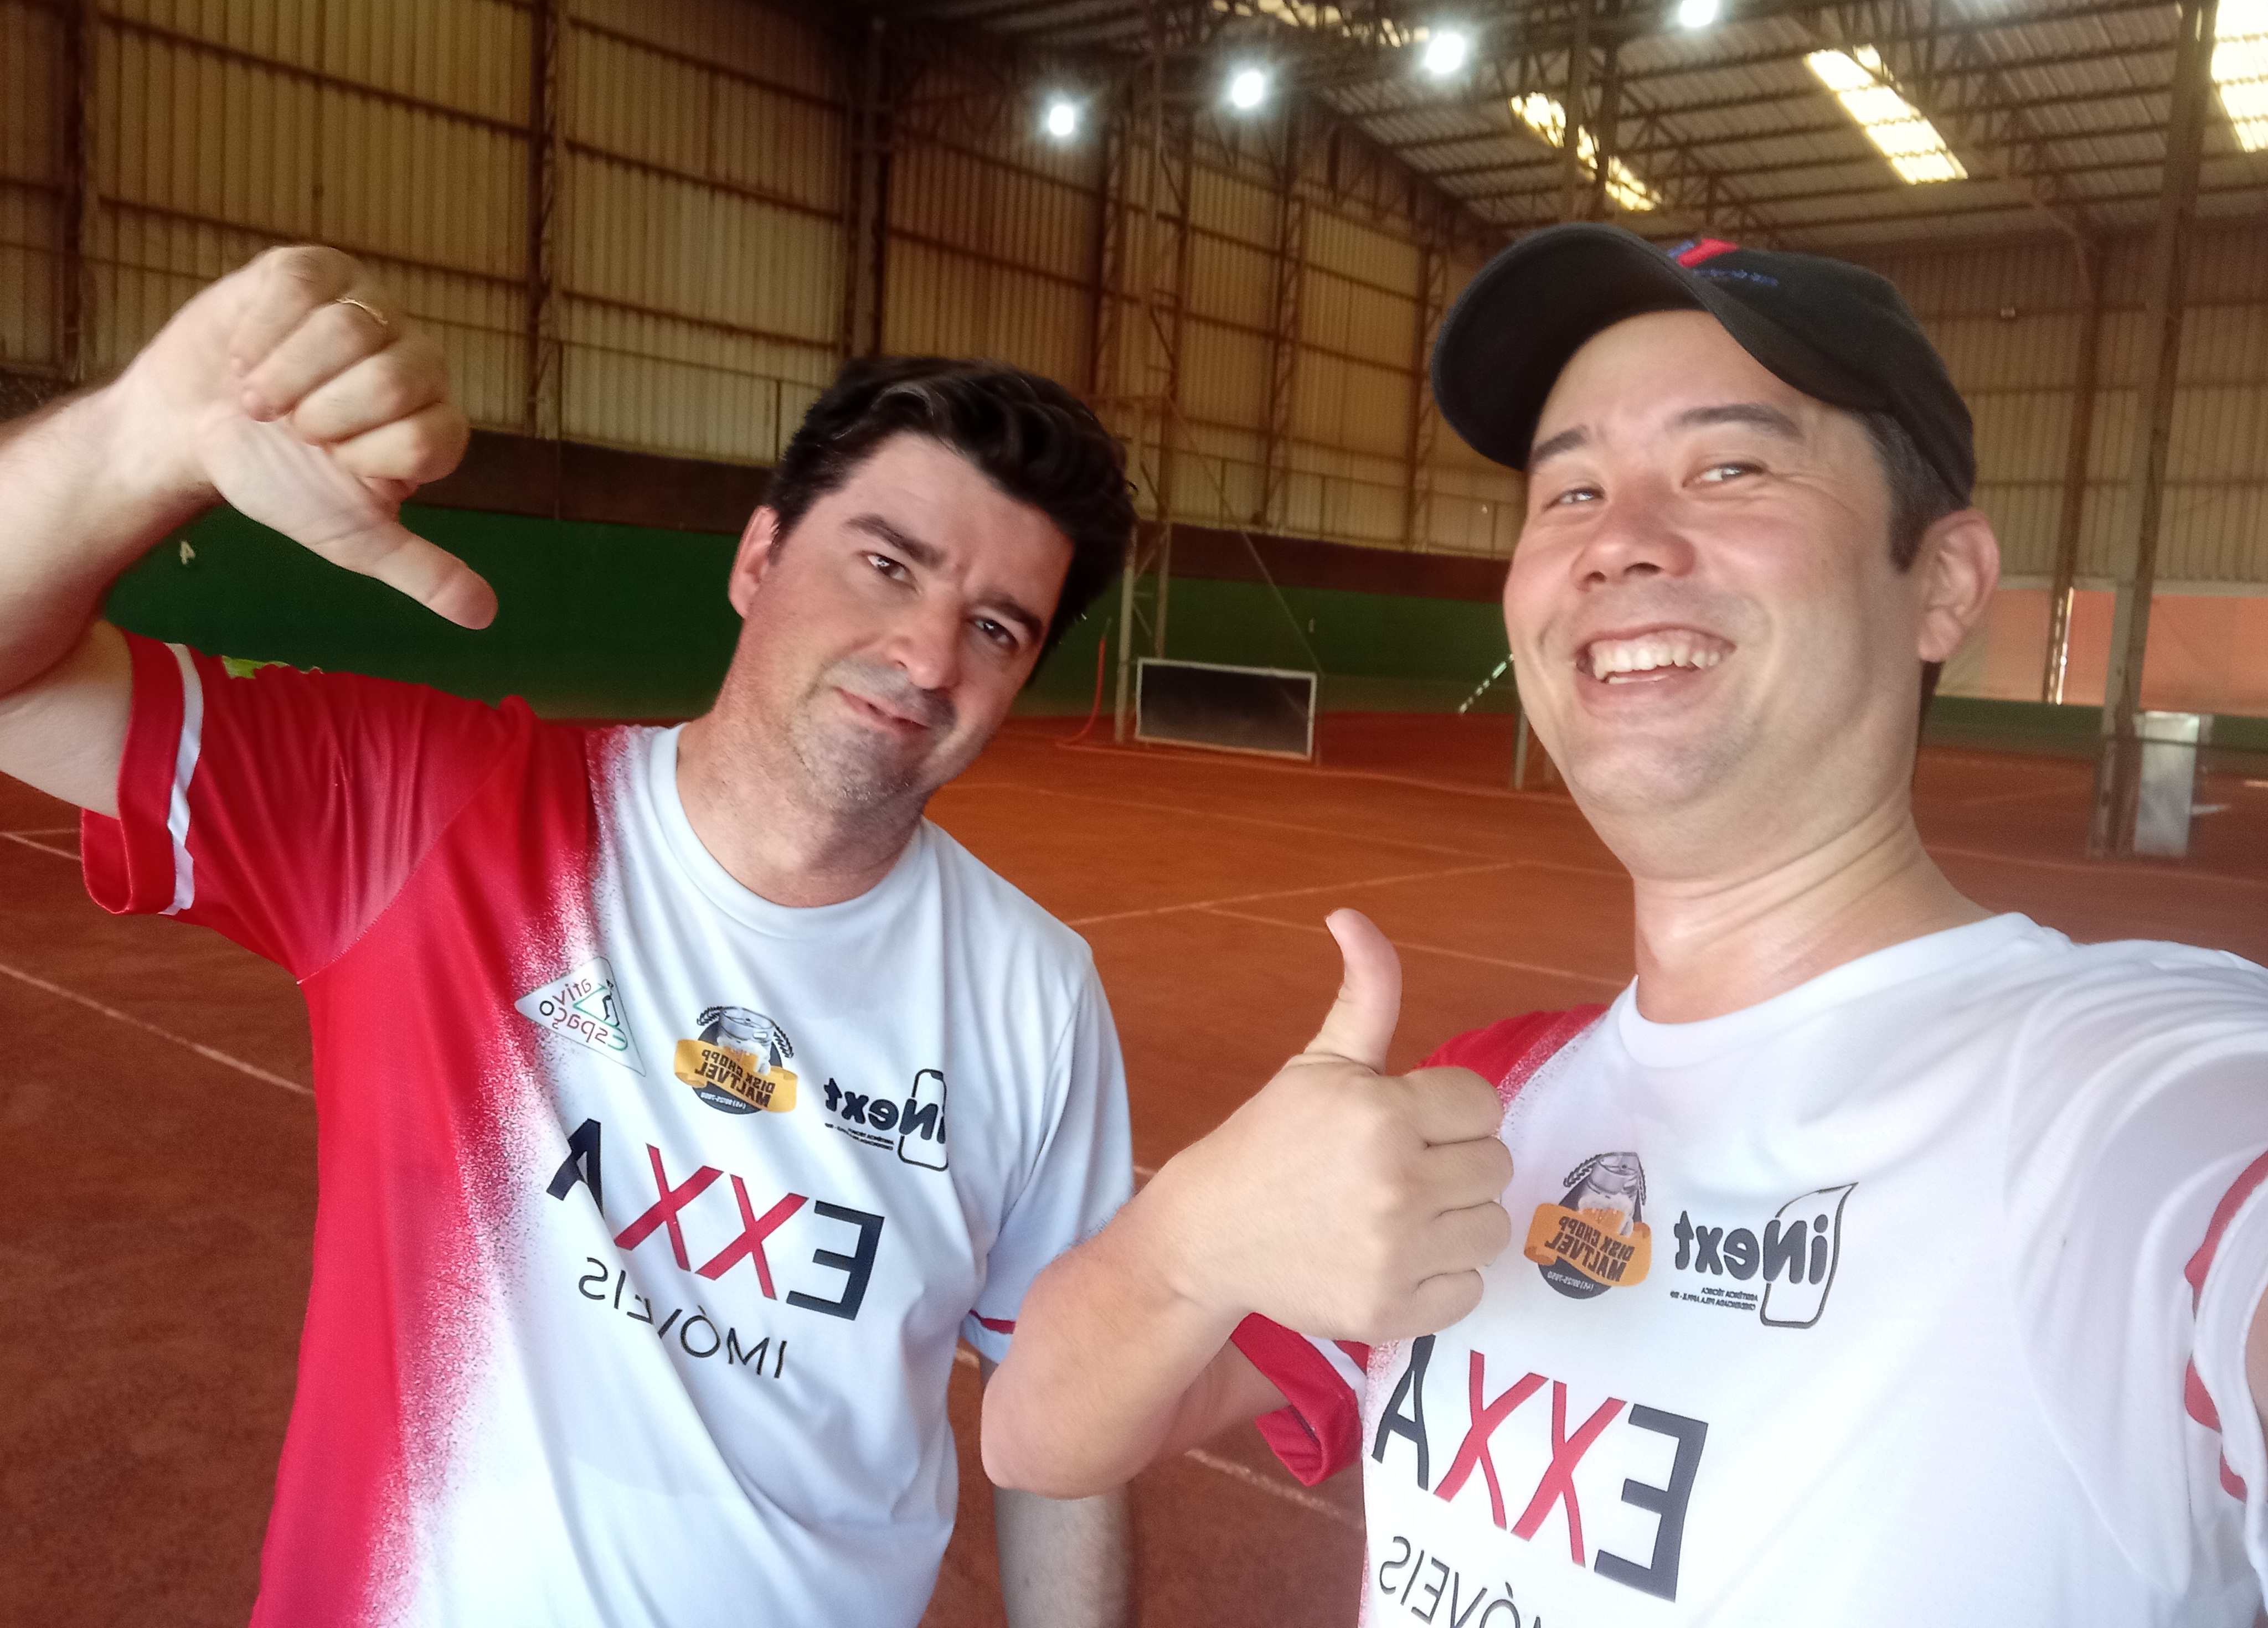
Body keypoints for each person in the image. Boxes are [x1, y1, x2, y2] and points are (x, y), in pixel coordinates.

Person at [983, 225, 2268, 1625]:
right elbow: (1039, 1437)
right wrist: (1194, 1237)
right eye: (1571, 491)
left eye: (1729, 469)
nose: (1617, 542)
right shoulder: (1494, 1102)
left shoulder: (2128, 1105)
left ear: (1943, 583)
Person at [0, 246, 1137, 1627]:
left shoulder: (1035, 996)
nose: (927, 654)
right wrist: (138, 441)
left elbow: (1068, 1404)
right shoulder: (427, 814)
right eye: (886, 564)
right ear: (760, 557)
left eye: (996, 627)